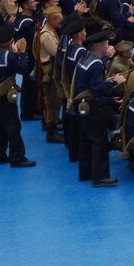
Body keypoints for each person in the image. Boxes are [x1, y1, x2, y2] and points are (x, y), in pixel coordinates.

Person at [72, 28, 126, 187]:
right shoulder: (96, 64)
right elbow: (97, 89)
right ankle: (100, 176)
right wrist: (115, 83)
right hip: (92, 106)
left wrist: (107, 81)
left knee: (85, 139)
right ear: (100, 45)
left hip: (81, 105)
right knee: (99, 141)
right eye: (107, 43)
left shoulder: (85, 58)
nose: (109, 46)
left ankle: (85, 173)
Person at [0, 23, 36, 168]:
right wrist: (22, 53)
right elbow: (22, 68)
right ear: (8, 41)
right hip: (6, 94)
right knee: (13, 126)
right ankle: (17, 157)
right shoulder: (9, 56)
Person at [59, 17, 90, 164]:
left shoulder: (70, 48)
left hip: (69, 88)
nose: (85, 32)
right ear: (79, 34)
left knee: (71, 123)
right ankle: (78, 154)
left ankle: (72, 151)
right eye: (84, 30)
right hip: (79, 90)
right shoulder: (81, 52)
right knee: (80, 125)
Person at [11, 0, 42, 121]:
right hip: (29, 54)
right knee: (30, 85)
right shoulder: (27, 23)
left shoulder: (19, 18)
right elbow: (33, 40)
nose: (35, 3)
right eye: (32, 1)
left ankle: (30, 110)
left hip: (25, 53)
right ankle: (28, 112)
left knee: (27, 84)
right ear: (25, 6)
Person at [36, 6, 64, 142]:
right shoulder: (46, 35)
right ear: (51, 20)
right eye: (59, 19)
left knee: (55, 102)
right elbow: (56, 53)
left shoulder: (52, 31)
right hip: (50, 73)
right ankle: (51, 134)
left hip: (53, 72)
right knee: (52, 103)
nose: (61, 21)